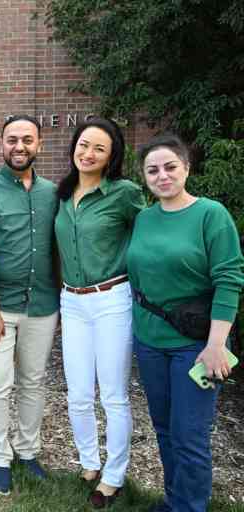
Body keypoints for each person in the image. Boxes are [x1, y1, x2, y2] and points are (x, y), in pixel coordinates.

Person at [127, 134, 244, 512]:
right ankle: (175, 500)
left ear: (187, 168)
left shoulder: (211, 214)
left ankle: (190, 506)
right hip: (149, 342)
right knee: (164, 430)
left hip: (196, 346)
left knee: (190, 436)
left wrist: (216, 345)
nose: (162, 176)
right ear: (145, 177)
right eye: (153, 170)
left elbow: (229, 279)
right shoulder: (144, 219)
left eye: (170, 167)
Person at [0, 114, 60, 495]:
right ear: (1, 144)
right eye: (12, 140)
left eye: (27, 140)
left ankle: (28, 451)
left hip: (42, 306)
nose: (19, 147)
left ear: (39, 145)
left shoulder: (53, 193)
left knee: (33, 382)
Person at [54, 118, 145, 508]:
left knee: (112, 394)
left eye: (99, 149)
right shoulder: (61, 193)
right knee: (76, 393)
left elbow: (150, 235)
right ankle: (89, 463)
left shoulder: (125, 193)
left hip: (112, 299)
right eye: (84, 145)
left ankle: (113, 475)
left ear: (111, 158)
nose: (88, 154)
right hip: (71, 301)